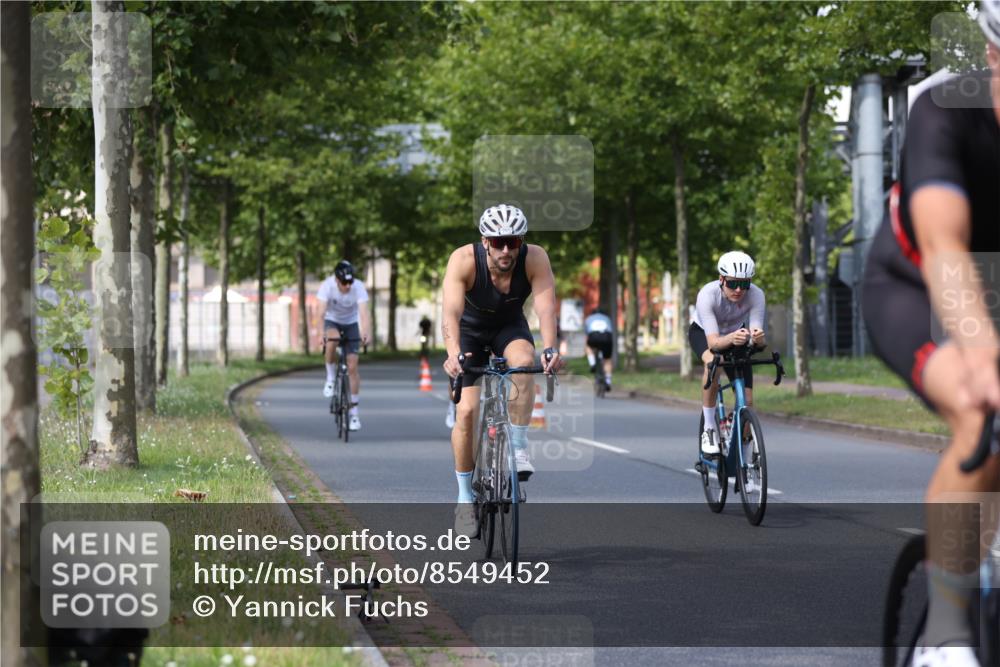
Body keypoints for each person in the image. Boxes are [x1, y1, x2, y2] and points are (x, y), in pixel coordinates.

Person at [862, 7, 1000, 664]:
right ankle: (944, 635)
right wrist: (979, 347)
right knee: (985, 410)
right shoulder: (944, 112)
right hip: (914, 287)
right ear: (994, 56)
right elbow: (946, 246)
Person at [441, 204, 564, 536]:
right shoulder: (463, 260)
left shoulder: (535, 258)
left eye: (513, 241)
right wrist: (453, 354)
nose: (506, 250)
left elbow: (545, 306)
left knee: (524, 362)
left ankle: (519, 448)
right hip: (469, 332)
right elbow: (450, 313)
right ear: (485, 242)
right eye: (498, 242)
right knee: (466, 411)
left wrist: (550, 347)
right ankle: (465, 498)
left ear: (521, 240)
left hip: (509, 328)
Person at [689, 251, 766, 456]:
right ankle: (709, 428)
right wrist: (732, 338)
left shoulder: (757, 295)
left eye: (745, 283)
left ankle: (745, 453)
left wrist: (758, 339)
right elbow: (714, 343)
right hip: (704, 333)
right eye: (733, 284)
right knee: (713, 362)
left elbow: (757, 337)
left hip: (737, 335)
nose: (739, 290)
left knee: (747, 401)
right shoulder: (707, 295)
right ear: (721, 279)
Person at [315, 260, 371, 432]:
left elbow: (363, 313)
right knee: (333, 339)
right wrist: (320, 334)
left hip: (351, 323)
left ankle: (354, 414)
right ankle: (331, 378)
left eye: (350, 282)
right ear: (337, 280)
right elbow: (320, 313)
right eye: (344, 283)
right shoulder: (327, 286)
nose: (348, 286)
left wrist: (366, 332)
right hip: (332, 321)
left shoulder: (358, 287)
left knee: (353, 366)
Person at [584, 307, 614, 391]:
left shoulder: (589, 319)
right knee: (607, 359)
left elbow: (587, 334)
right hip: (606, 336)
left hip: (594, 336)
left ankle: (592, 363)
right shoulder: (607, 318)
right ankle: (608, 381)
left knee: (588, 346)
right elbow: (610, 331)